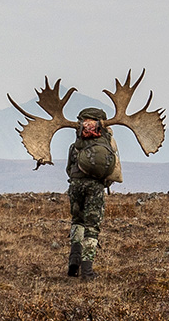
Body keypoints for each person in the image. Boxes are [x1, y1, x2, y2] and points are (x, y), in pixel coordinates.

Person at [66, 107, 118, 280]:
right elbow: (111, 171)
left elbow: (68, 169)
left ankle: (73, 263)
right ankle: (87, 272)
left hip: (75, 186)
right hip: (95, 188)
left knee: (77, 222)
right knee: (92, 228)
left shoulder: (75, 145)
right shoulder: (106, 144)